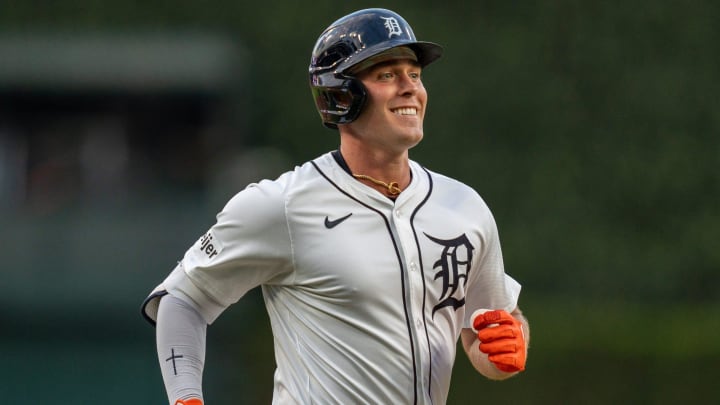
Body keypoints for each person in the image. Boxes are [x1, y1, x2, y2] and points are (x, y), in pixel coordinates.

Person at [142, 8, 529, 405]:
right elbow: (183, 299)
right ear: (340, 95)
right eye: (386, 75)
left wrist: (503, 348)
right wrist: (185, 397)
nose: (409, 87)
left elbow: (489, 327)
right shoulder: (284, 205)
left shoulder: (465, 207)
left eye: (414, 74)